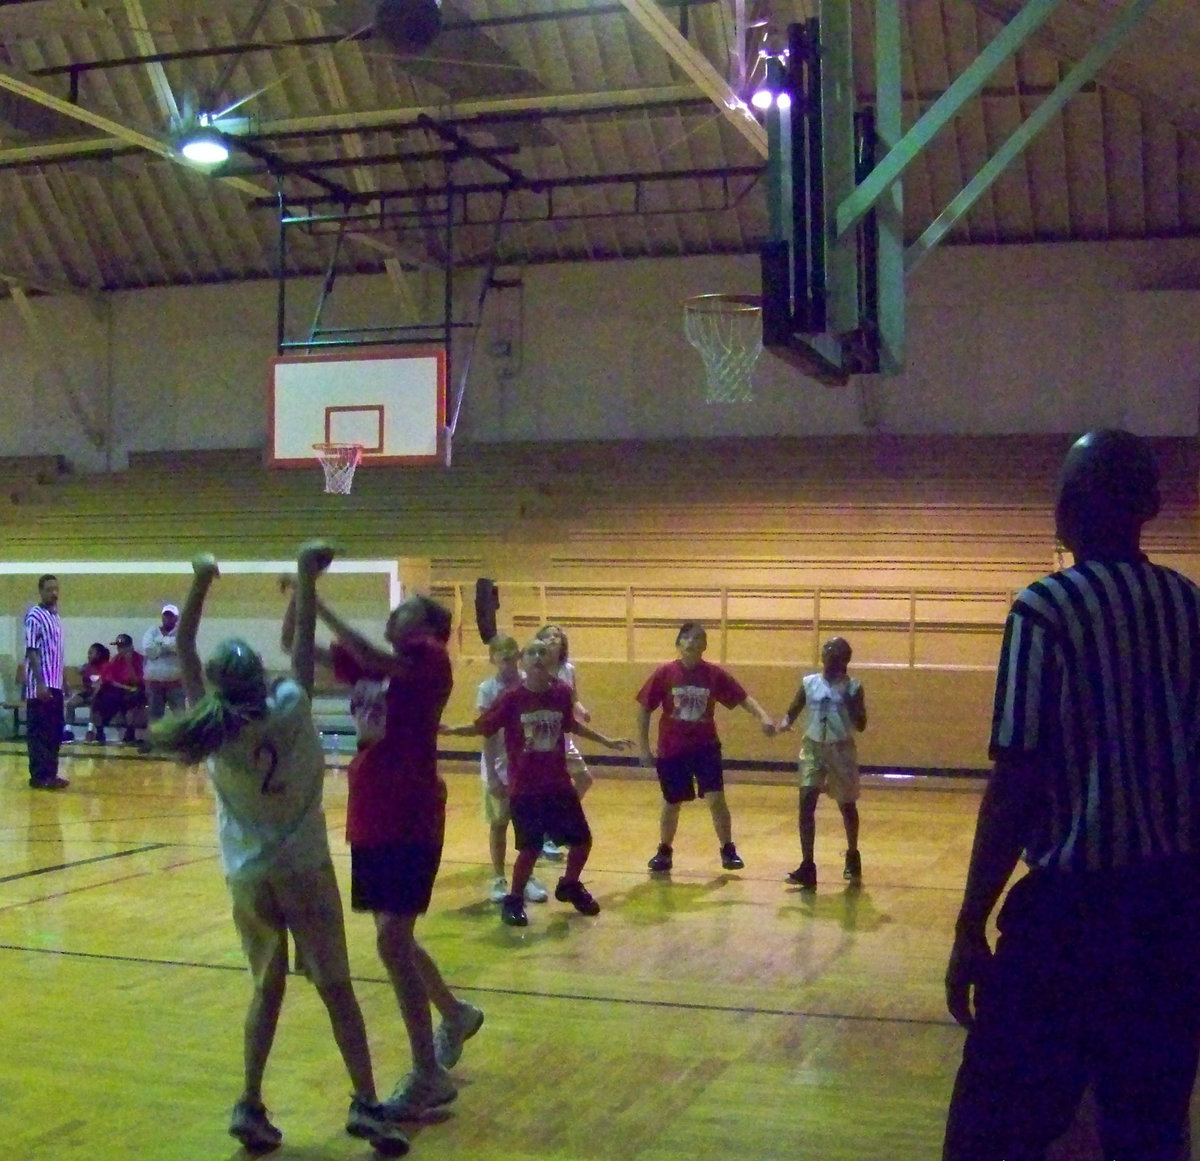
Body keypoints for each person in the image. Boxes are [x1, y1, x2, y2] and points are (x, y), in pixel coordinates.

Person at [942, 430, 1200, 1161]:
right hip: (1176, 917)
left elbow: (1017, 778)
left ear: (1072, 505)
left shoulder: (1046, 609)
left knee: (986, 1132)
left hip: (1074, 919)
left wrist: (970, 923)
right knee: (1148, 1131)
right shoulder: (1191, 607)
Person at [153, 544, 407, 1156]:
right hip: (303, 867)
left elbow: (185, 647)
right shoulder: (290, 708)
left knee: (266, 987)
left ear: (215, 686)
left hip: (248, 876)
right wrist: (303, 575)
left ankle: (249, 1101)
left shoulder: (211, 728)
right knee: (335, 985)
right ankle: (367, 1104)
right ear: (259, 679)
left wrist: (200, 581)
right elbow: (297, 649)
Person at [315, 588, 483, 1119]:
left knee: (391, 939)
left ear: (430, 625)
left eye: (406, 606)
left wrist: (317, 598)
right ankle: (454, 1015)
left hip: (410, 809)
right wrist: (298, 599)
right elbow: (299, 649)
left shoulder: (430, 658)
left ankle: (428, 1074)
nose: (393, 610)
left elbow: (368, 650)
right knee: (395, 937)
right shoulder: (376, 667)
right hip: (369, 806)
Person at [443, 637, 631, 927]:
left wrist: (606, 740)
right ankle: (514, 899)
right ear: (523, 661)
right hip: (525, 787)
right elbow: (483, 727)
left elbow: (571, 724)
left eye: (544, 652)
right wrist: (451, 730)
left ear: (553, 660)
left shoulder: (561, 692)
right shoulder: (512, 698)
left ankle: (569, 884)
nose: (539, 657)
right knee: (529, 849)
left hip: (558, 784)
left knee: (582, 841)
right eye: (532, 652)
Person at [636, 621, 775, 872]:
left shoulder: (713, 674)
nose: (691, 642)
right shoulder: (665, 673)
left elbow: (742, 697)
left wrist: (763, 717)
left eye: (698, 638)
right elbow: (645, 708)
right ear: (678, 644)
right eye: (686, 637)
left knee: (716, 798)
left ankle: (728, 849)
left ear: (704, 646)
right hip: (672, 748)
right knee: (672, 801)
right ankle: (664, 851)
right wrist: (643, 747)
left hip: (705, 747)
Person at [777, 637, 867, 889]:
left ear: (843, 661)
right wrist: (785, 722)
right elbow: (796, 706)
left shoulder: (853, 687)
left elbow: (861, 724)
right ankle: (808, 865)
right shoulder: (809, 683)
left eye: (834, 657)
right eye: (826, 655)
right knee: (806, 801)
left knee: (846, 805)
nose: (828, 661)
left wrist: (849, 702)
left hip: (841, 748)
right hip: (813, 747)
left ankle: (852, 854)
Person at [476, 634, 548, 905]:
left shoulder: (530, 685)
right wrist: (493, 774)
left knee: (528, 824)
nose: (505, 654)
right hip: (498, 765)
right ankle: (498, 877)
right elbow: (488, 733)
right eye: (499, 651)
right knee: (499, 822)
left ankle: (527, 876)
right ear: (492, 657)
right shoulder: (487, 689)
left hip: (527, 766)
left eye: (511, 649)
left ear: (519, 655)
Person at [533, 624, 593, 860]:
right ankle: (546, 835)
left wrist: (581, 710)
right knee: (550, 788)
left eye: (556, 636)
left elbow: (573, 699)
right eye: (547, 636)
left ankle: (556, 824)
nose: (552, 639)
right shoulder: (535, 670)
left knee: (584, 780)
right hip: (545, 739)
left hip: (564, 738)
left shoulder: (568, 669)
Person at [24, 573, 68, 790]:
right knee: (39, 732)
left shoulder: (56, 617)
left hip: (56, 684)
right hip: (39, 686)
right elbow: (32, 651)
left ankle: (51, 773)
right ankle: (39, 776)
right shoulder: (34, 616)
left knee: (55, 731)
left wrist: (64, 682)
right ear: (41, 591)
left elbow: (57, 653)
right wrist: (40, 683)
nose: (54, 593)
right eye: (49, 589)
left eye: (56, 589)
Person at [88, 632, 146, 744]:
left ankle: (130, 733)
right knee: (98, 700)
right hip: (119, 689)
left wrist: (129, 663)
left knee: (132, 699)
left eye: (123, 647)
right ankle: (100, 732)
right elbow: (110, 681)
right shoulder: (115, 660)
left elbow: (138, 681)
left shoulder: (139, 659)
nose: (120, 650)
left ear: (130, 647)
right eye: (119, 647)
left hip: (136, 689)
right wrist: (125, 687)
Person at [142, 602, 185, 736]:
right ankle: (153, 742)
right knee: (154, 716)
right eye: (165, 616)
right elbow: (149, 650)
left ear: (176, 618)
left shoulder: (182, 633)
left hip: (175, 683)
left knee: (180, 715)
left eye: (170, 616)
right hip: (154, 683)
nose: (167, 619)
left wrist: (159, 643)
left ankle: (182, 742)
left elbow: (179, 647)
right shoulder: (152, 631)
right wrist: (168, 646)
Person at [63, 642, 109, 738]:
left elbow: (100, 685)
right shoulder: (87, 666)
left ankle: (90, 730)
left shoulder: (105, 667)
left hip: (100, 695)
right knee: (71, 704)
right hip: (87, 693)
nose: (88, 655)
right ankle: (68, 730)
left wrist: (93, 695)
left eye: (91, 653)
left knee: (94, 703)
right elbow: (84, 683)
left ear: (99, 654)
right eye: (88, 653)